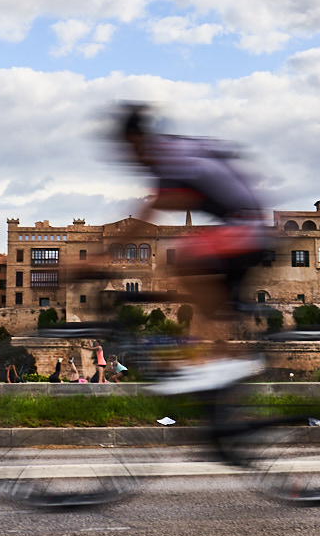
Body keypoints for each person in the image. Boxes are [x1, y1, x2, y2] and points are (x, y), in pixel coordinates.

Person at [105, 103, 273, 392]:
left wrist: (101, 258)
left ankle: (222, 360)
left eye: (128, 148)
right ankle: (218, 362)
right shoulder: (174, 151)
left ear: (136, 139)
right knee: (206, 295)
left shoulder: (168, 157)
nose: (129, 157)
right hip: (244, 224)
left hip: (247, 226)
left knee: (186, 256)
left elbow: (150, 211)